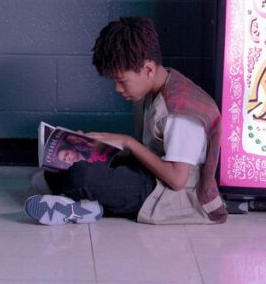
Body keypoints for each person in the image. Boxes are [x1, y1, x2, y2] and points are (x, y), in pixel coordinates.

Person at [25, 16, 227, 226]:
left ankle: (79, 202)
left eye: (122, 81)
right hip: (149, 174)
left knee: (81, 176)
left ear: (148, 69)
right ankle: (86, 207)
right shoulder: (154, 88)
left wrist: (127, 142)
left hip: (165, 194)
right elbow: (150, 152)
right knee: (71, 164)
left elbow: (177, 181)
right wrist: (89, 144)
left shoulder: (180, 112)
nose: (118, 89)